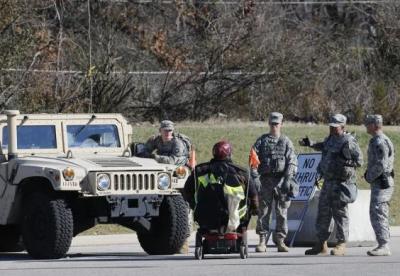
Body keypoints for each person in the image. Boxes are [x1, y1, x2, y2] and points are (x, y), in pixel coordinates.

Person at [300, 114, 363, 256]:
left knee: (340, 214)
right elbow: (324, 147)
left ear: (342, 127)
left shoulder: (348, 141)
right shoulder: (330, 139)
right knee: (323, 213)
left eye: (335, 127)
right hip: (327, 182)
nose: (332, 128)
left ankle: (341, 243)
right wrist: (310, 143)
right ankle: (321, 244)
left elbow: (359, 161)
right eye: (331, 126)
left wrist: (345, 161)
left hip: (340, 184)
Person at [183, 141, 259, 234]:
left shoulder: (199, 170)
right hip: (235, 220)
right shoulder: (241, 172)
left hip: (205, 218)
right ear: (229, 154)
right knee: (248, 201)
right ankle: (241, 228)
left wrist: (194, 205)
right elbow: (253, 195)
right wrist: (255, 209)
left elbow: (186, 191)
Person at [252, 112, 298, 253]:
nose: (274, 126)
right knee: (264, 212)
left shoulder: (286, 141)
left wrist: (288, 178)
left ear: (281, 124)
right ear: (269, 124)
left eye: (277, 124)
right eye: (272, 124)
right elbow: (253, 161)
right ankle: (262, 241)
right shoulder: (261, 141)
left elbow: (292, 161)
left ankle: (280, 241)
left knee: (282, 212)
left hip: (281, 181)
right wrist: (255, 177)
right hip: (265, 181)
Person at [364, 115, 395, 256]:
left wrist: (369, 176)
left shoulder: (380, 141)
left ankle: (384, 246)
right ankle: (382, 243)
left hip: (382, 182)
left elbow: (381, 164)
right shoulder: (376, 140)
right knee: (376, 212)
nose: (366, 125)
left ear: (375, 125)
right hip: (379, 182)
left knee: (379, 212)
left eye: (368, 123)